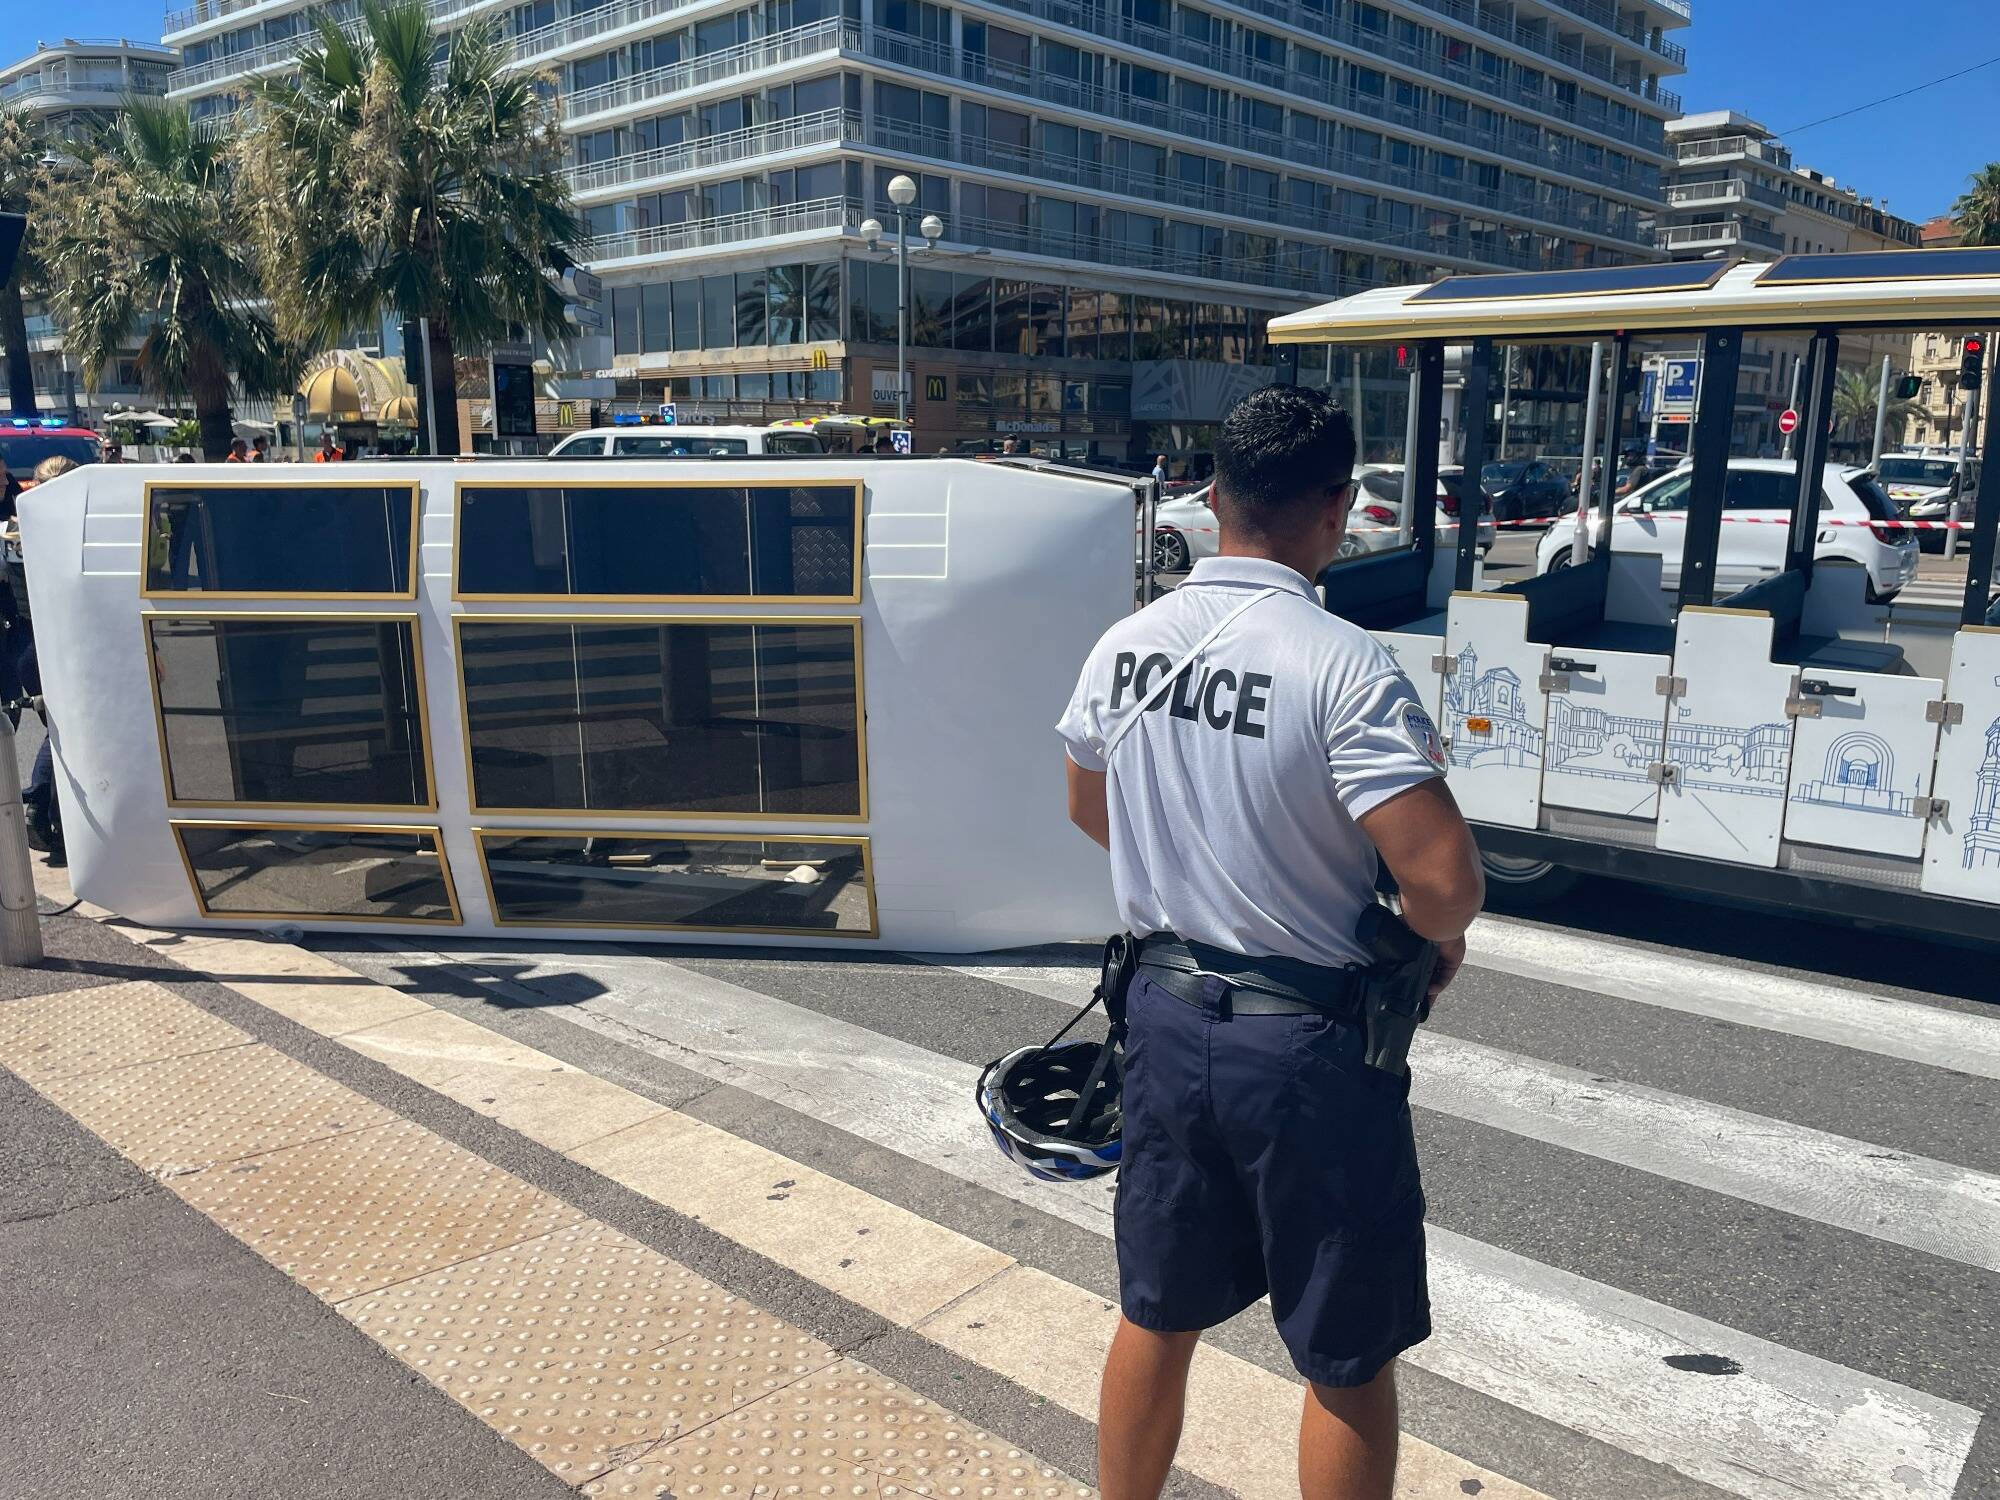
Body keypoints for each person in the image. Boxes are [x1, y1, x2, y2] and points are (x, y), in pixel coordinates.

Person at [1055, 385, 1483, 1500]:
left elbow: (1087, 809)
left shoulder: (1126, 644)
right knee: (1344, 1349)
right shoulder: (1341, 665)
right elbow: (1441, 880)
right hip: (1302, 1045)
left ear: (1212, 497)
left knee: (1156, 1309)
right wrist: (1423, 941)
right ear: (1337, 509)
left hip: (1155, 1013)